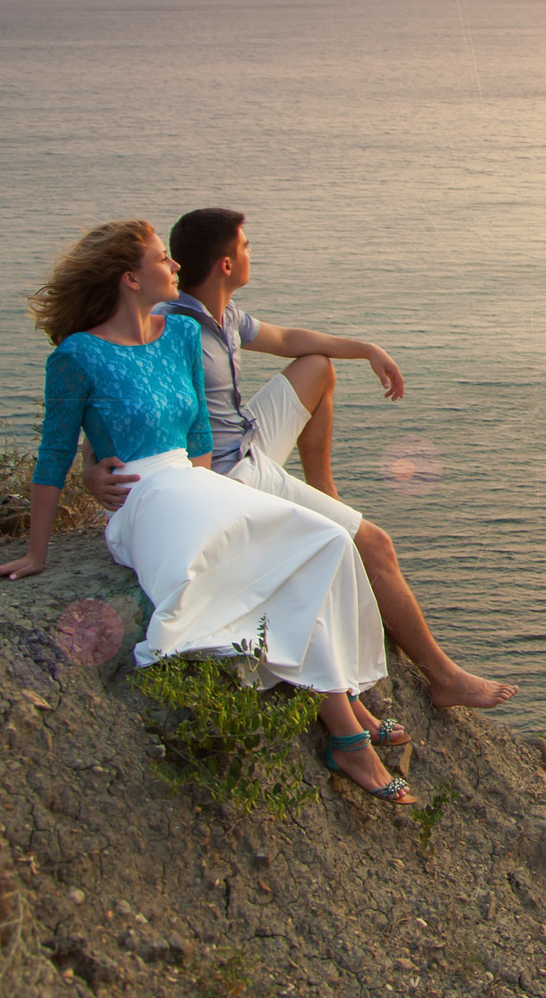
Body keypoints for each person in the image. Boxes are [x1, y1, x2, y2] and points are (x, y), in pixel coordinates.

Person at [0, 220, 419, 805]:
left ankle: (343, 694)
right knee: (281, 554)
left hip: (194, 483)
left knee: (326, 540)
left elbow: (199, 436)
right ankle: (347, 734)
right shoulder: (77, 356)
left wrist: (218, 500)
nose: (175, 266)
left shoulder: (180, 337)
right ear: (132, 278)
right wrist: (36, 553)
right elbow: (55, 454)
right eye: (163, 258)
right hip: (143, 503)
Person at [82, 207, 518, 712]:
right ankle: (444, 677)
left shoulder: (223, 316)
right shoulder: (169, 328)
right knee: (374, 546)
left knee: (315, 366)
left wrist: (367, 349)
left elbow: (289, 341)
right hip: (226, 475)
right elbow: (115, 399)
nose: (251, 254)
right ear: (225, 264)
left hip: (246, 438)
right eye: (245, 247)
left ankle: (324, 493)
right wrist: (92, 467)